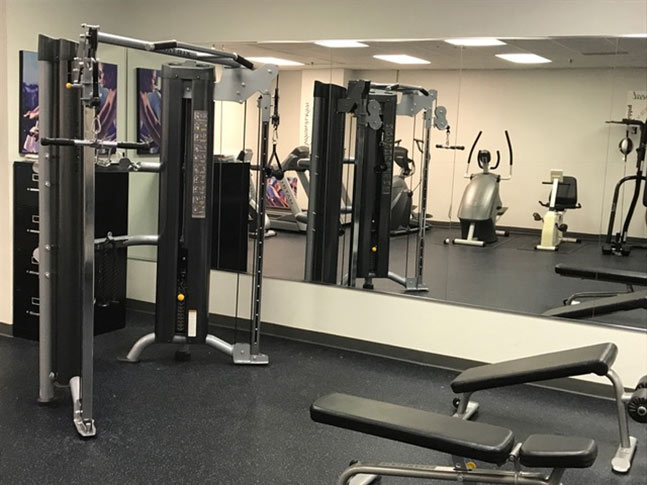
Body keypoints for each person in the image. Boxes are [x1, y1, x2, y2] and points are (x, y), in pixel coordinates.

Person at [138, 69, 162, 153]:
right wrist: (164, 146)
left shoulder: (144, 96)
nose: (155, 83)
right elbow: (150, 127)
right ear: (145, 80)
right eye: (153, 78)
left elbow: (155, 123)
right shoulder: (140, 97)